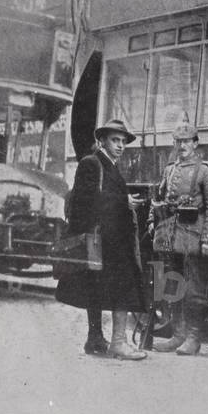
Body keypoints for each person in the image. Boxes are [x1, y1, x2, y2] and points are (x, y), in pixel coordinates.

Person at [56, 119, 147, 361]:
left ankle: (94, 338)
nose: (120, 146)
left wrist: (122, 201)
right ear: (102, 141)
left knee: (95, 288)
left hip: (110, 239)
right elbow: (86, 199)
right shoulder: (91, 163)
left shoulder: (109, 165)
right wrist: (124, 201)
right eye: (115, 140)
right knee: (122, 287)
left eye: (123, 141)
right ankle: (118, 342)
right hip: (104, 240)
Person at [148, 122, 208, 355]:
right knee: (173, 285)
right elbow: (159, 198)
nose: (182, 146)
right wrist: (152, 219)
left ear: (195, 143)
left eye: (186, 141)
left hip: (193, 237)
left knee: (194, 290)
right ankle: (178, 335)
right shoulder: (170, 169)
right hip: (170, 236)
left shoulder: (207, 171)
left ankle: (193, 338)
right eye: (178, 142)